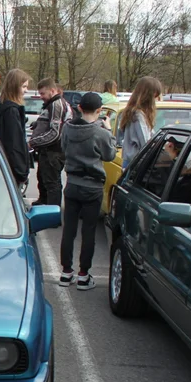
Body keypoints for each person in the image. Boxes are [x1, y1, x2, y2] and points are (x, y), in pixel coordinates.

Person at [59, 93, 116, 291]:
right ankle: (84, 274)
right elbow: (109, 155)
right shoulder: (101, 133)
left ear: (80, 108)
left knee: (69, 229)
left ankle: (66, 271)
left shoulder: (67, 128)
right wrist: (109, 131)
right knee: (89, 230)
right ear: (99, 111)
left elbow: (63, 148)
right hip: (92, 186)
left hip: (73, 182)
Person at [29, 78, 72, 207]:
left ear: (52, 91)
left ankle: (53, 213)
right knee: (42, 178)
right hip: (47, 151)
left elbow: (55, 133)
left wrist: (33, 142)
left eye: (43, 93)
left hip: (54, 152)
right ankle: (43, 202)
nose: (41, 97)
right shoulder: (51, 104)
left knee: (52, 183)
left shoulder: (57, 105)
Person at [0, 69, 32, 191]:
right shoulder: (11, 111)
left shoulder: (6, 108)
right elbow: (15, 143)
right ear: (15, 87)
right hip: (13, 168)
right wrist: (21, 171)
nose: (26, 90)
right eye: (24, 86)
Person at [117, 76, 162, 168]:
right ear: (149, 95)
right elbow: (145, 143)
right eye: (155, 96)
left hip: (129, 160)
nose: (156, 100)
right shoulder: (138, 115)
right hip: (135, 163)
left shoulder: (131, 111)